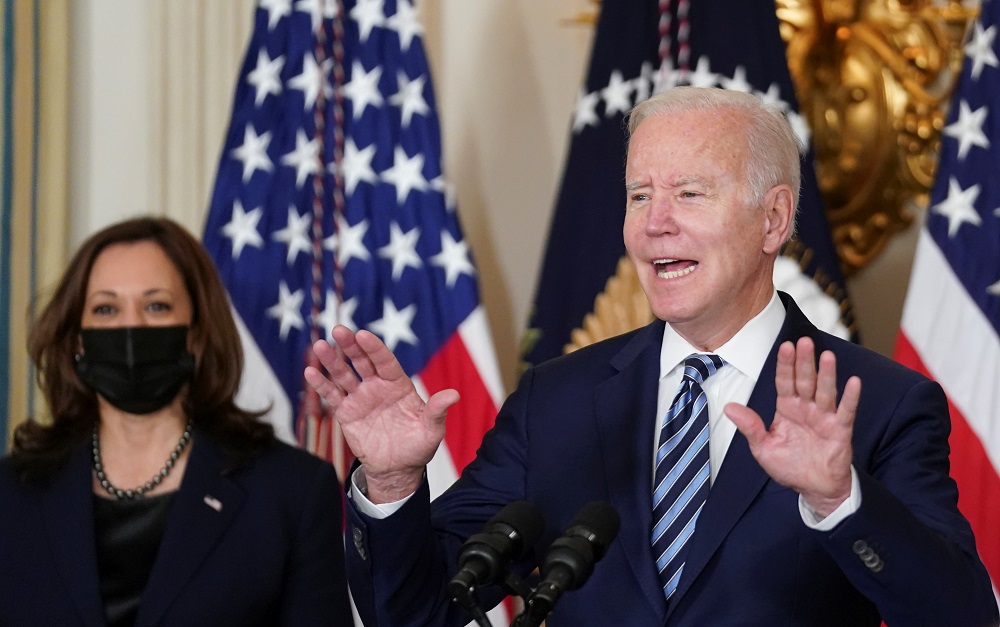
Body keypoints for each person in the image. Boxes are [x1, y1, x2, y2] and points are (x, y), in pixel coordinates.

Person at [305, 87, 999, 626]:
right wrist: (393, 483)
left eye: (689, 193)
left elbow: (960, 614)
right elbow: (419, 612)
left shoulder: (878, 403)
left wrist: (837, 498)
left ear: (774, 218)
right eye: (640, 195)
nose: (654, 221)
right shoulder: (557, 400)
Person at [0, 217, 352, 626]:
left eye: (156, 306)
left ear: (196, 332)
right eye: (106, 308)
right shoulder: (11, 495)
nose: (131, 327)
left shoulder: (292, 492)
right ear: (77, 339)